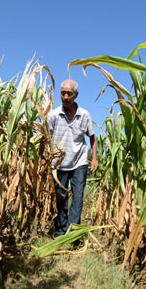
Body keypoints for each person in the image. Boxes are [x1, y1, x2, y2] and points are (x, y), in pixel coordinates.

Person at [42, 79, 98, 237]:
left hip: (79, 161)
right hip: (59, 163)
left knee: (78, 196)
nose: (65, 97)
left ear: (76, 95)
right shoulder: (53, 116)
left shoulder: (84, 115)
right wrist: (43, 157)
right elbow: (44, 138)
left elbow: (93, 138)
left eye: (69, 93)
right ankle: (60, 232)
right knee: (61, 197)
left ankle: (73, 234)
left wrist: (94, 158)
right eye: (62, 93)